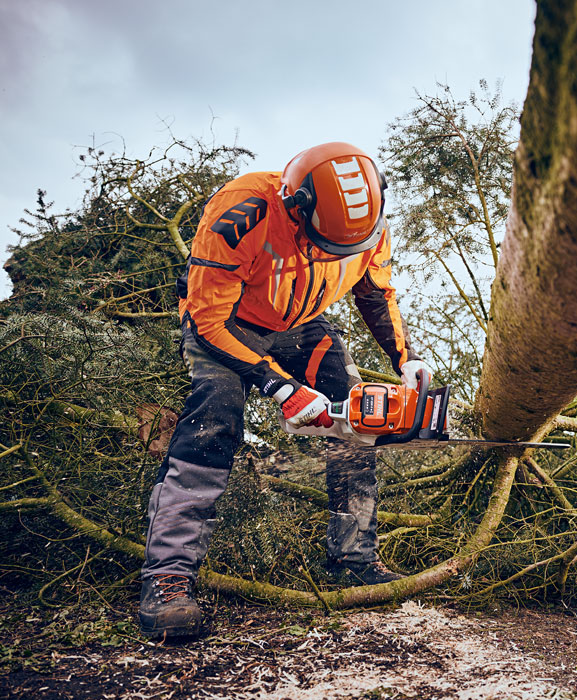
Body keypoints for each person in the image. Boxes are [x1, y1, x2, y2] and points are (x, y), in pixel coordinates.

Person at [138, 142, 431, 638]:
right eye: (322, 244)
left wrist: (408, 358)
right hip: (228, 325)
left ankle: (352, 558)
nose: (331, 254)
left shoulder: (367, 224)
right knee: (217, 416)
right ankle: (168, 577)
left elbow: (375, 292)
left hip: (301, 321)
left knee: (356, 420)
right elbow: (207, 318)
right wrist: (281, 387)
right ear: (298, 209)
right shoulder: (241, 214)